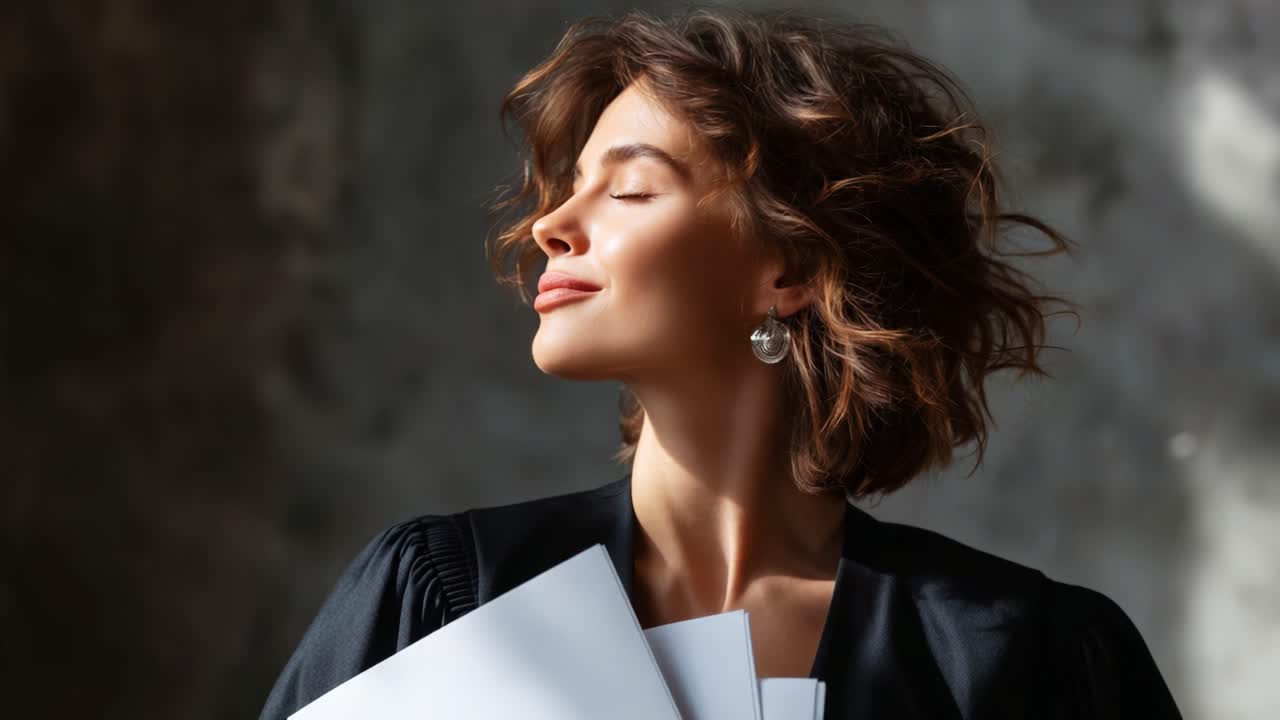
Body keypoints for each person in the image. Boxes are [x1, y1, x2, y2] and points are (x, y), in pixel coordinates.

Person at [260, 7, 1183, 719]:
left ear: (792, 269)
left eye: (629, 189)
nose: (552, 226)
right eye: (568, 186)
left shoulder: (1020, 658)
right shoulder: (441, 598)